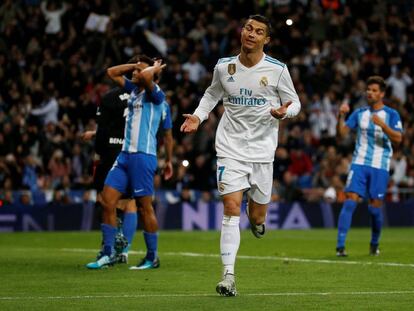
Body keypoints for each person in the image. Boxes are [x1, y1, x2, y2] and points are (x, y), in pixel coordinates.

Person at [180, 15, 301, 296]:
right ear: (241, 31)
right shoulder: (224, 67)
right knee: (231, 208)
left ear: (266, 40)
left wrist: (285, 111)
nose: (251, 34)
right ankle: (228, 276)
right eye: (248, 28)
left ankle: (256, 221)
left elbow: (294, 101)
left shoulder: (277, 70)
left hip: (261, 152)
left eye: (259, 32)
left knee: (256, 216)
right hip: (230, 148)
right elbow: (211, 95)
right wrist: (199, 117)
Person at [86, 55, 173, 270]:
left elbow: (145, 77)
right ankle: (109, 253)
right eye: (134, 70)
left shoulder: (156, 96)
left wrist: (149, 69)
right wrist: (136, 64)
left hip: (143, 156)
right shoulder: (134, 91)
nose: (134, 73)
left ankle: (152, 257)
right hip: (125, 155)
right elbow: (111, 72)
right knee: (107, 201)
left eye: (138, 71)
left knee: (144, 207)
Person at [335, 76, 403, 257]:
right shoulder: (360, 113)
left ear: (382, 94)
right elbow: (341, 134)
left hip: (380, 166)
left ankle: (374, 243)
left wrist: (383, 126)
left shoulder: (391, 114)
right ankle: (340, 247)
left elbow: (398, 139)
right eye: (368, 89)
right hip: (359, 163)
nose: (369, 93)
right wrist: (341, 115)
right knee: (350, 200)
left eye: (374, 90)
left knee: (374, 208)